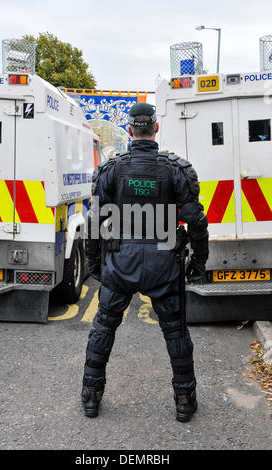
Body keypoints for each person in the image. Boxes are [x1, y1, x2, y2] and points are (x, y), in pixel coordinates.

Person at [81, 103, 209, 422]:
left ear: (129, 130)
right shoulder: (177, 169)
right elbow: (196, 223)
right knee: (175, 333)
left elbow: (94, 221)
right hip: (164, 263)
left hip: (119, 262)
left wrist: (96, 265)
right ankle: (184, 400)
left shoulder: (111, 170)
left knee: (103, 327)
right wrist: (198, 263)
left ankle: (91, 396)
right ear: (156, 128)